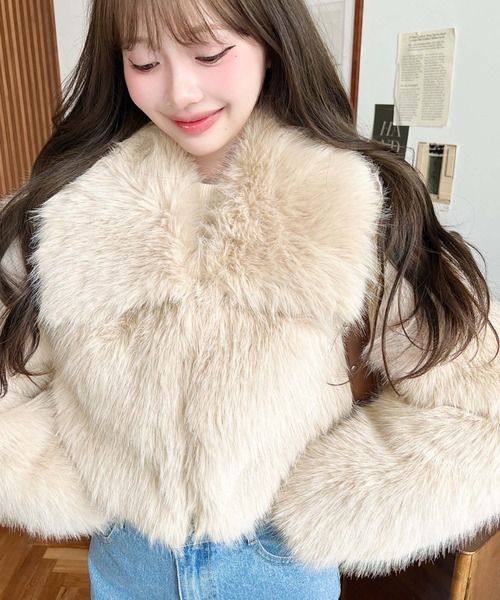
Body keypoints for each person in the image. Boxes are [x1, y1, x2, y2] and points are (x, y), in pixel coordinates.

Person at [0, 0, 498, 598]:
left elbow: (480, 406)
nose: (181, 92)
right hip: (128, 562)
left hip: (275, 566)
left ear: (272, 40)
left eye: (210, 53)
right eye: (144, 61)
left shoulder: (353, 201)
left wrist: (322, 505)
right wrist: (77, 480)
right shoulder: (68, 206)